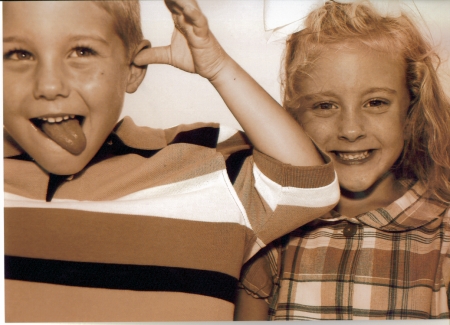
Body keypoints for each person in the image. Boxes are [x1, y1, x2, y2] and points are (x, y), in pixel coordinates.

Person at [3, 0, 339, 322]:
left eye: (81, 51)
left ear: (133, 69)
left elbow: (305, 181)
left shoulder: (198, 161)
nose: (48, 86)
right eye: (18, 54)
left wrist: (219, 68)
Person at [235, 0, 450, 321]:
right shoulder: (273, 237)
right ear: (293, 116)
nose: (350, 130)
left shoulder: (443, 237)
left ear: (412, 106)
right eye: (324, 106)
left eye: (375, 102)